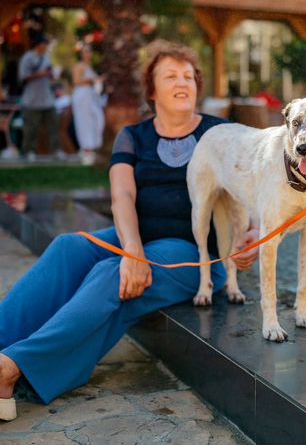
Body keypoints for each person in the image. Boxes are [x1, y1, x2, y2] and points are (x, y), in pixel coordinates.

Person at [0, 41, 259, 420]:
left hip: (197, 255)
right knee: (68, 247)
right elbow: (122, 195)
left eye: (189, 75)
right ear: (152, 91)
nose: (182, 81)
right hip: (141, 237)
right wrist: (133, 251)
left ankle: (9, 369)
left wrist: (251, 233)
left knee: (110, 275)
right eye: (170, 75)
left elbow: (251, 190)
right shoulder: (133, 136)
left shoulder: (221, 132)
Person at [18, 33, 65, 161]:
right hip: (32, 100)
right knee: (30, 128)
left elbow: (49, 75)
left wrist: (54, 76)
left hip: (47, 99)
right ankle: (28, 152)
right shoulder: (27, 58)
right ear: (39, 45)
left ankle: (56, 150)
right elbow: (24, 77)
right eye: (44, 44)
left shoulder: (47, 58)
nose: (46, 47)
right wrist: (42, 74)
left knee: (54, 126)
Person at [72, 44, 105, 165]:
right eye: (86, 52)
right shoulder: (79, 66)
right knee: (84, 122)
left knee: (96, 120)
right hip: (82, 96)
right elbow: (76, 81)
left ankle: (91, 147)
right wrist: (93, 79)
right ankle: (87, 149)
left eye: (90, 51)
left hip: (91, 96)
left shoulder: (89, 66)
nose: (88, 54)